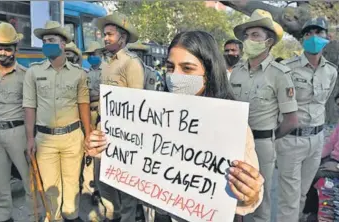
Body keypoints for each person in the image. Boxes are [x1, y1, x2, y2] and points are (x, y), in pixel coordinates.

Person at [86, 30, 265, 222]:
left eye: (187, 69)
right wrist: (106, 148)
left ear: (209, 72)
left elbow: (247, 195)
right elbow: (135, 168)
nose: (174, 76)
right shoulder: (149, 116)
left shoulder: (231, 125)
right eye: (170, 67)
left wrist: (250, 194)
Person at [230, 9, 299, 222]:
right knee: (233, 195)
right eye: (247, 35)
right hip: (234, 142)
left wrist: (268, 136)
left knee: (261, 200)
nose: (249, 40)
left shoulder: (279, 74)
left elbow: (291, 120)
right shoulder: (238, 71)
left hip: (262, 145)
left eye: (255, 35)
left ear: (268, 42)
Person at [23, 20, 90, 222]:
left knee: (71, 183)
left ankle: (72, 215)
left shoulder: (79, 74)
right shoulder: (33, 72)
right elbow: (29, 107)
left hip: (72, 137)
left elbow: (83, 105)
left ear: (62, 44)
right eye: (44, 41)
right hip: (45, 138)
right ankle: (54, 217)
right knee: (51, 185)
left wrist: (88, 136)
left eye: (51, 40)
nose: (46, 44)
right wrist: (29, 139)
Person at [277, 17, 338, 222]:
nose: (313, 37)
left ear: (327, 37)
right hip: (292, 140)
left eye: (318, 32)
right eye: (308, 33)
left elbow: (322, 101)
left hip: (317, 139)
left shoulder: (331, 71)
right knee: (289, 198)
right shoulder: (286, 68)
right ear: (302, 39)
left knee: (303, 193)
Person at [88, 12, 145, 222]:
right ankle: (113, 214)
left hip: (126, 132)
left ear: (122, 37)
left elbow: (137, 104)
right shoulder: (105, 63)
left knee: (126, 182)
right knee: (104, 179)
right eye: (104, 34)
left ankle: (128, 217)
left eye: (110, 34)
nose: (105, 38)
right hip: (104, 128)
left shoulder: (132, 64)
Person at [0, 22, 35, 222]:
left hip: (17, 133)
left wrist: (30, 139)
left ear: (15, 50)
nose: (2, 52)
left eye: (7, 48)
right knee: (1, 183)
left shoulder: (26, 75)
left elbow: (30, 109)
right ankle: (3, 217)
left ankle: (35, 215)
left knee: (30, 180)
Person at [302, 93, 339, 220]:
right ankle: (309, 212)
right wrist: (314, 158)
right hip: (332, 159)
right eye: (337, 105)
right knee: (308, 169)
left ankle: (310, 212)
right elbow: (329, 145)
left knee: (317, 174)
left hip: (337, 165)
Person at [81, 40, 106, 208]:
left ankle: (100, 190)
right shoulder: (85, 73)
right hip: (88, 112)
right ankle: (90, 186)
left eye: (95, 55)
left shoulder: (107, 72)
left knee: (99, 152)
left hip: (102, 113)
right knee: (88, 152)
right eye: (90, 55)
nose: (92, 57)